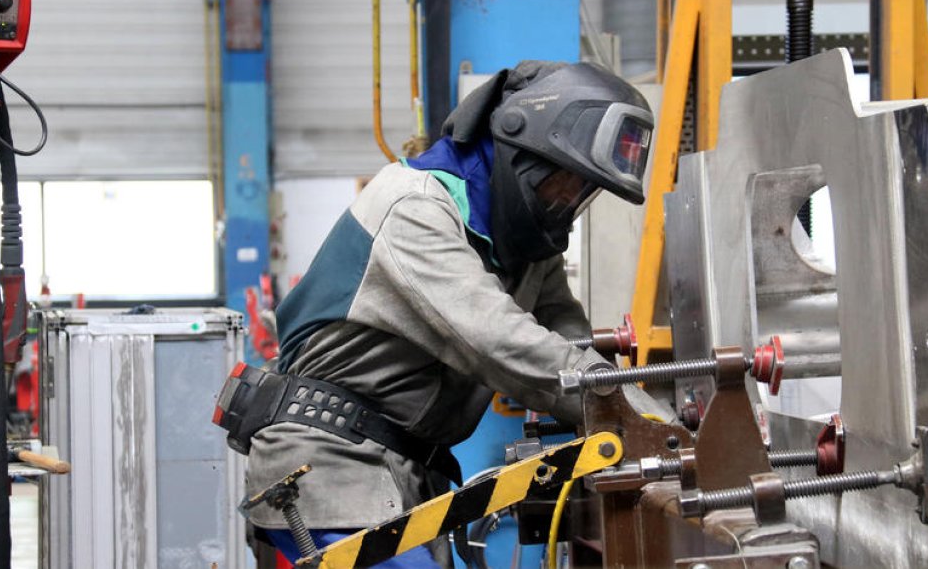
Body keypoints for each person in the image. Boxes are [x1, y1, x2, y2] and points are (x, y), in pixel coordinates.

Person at [245, 60, 660, 567]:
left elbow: (563, 333)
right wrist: (643, 417)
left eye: (582, 193)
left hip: (400, 474)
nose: (568, 203)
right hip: (332, 468)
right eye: (565, 183)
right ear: (520, 154)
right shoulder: (412, 208)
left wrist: (620, 403)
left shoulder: (527, 241)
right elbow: (498, 340)